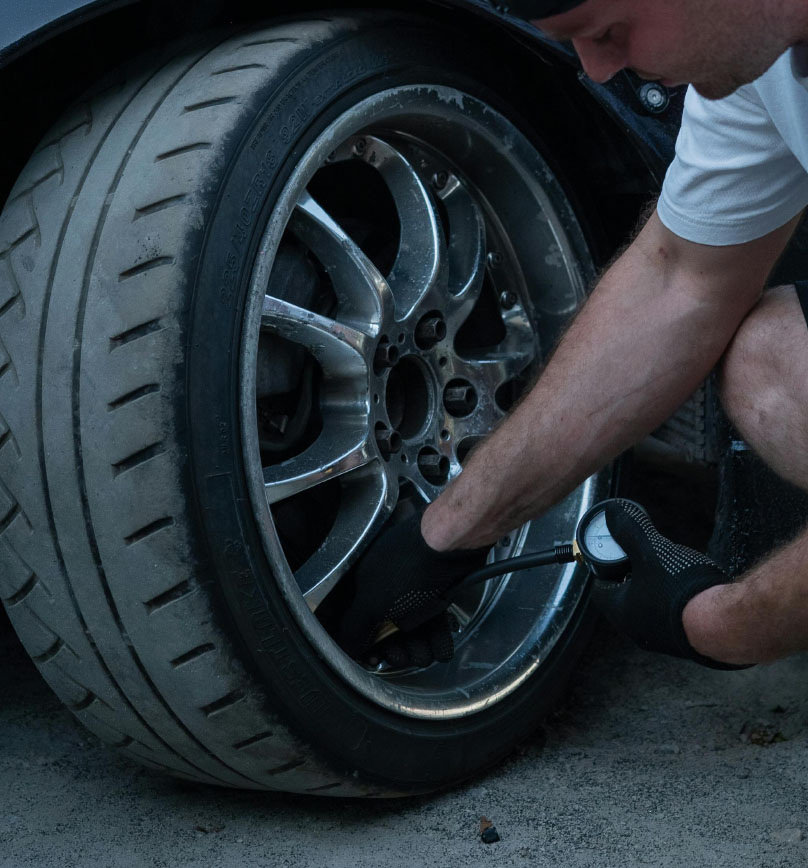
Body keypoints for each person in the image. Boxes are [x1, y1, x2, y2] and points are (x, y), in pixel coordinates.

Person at [338, 0, 808, 670]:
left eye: (605, 30)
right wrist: (445, 534)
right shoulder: (752, 47)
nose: (596, 69)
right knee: (773, 362)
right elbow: (684, 281)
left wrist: (720, 622)